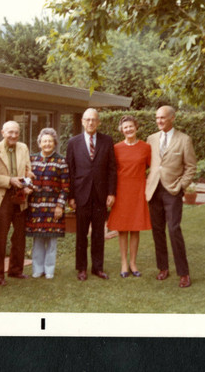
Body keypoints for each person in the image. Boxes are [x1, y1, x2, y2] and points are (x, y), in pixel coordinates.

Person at [146, 105, 197, 288]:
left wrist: (181, 186)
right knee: (157, 231)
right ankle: (163, 268)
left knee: (174, 229)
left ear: (172, 118)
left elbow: (191, 167)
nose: (159, 121)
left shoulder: (184, 140)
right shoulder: (151, 139)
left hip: (172, 191)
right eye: (157, 117)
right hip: (153, 191)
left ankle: (183, 273)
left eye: (163, 118)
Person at [66, 108, 117, 281]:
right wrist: (70, 196)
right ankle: (81, 268)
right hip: (81, 195)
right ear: (82, 121)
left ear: (98, 122)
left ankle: (97, 268)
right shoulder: (73, 142)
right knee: (81, 234)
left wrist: (111, 192)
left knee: (98, 234)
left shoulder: (107, 141)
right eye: (87, 120)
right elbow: (70, 171)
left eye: (94, 120)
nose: (90, 123)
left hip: (100, 195)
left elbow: (111, 169)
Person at [108, 115, 152, 278]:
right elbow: (112, 171)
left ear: (136, 127)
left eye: (131, 126)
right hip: (121, 191)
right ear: (122, 130)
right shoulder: (116, 148)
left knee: (135, 228)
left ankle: (133, 263)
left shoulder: (146, 148)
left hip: (138, 191)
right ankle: (124, 263)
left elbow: (152, 168)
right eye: (125, 127)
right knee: (122, 228)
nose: (128, 129)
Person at [0, 120, 33, 286]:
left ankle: (16, 270)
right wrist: (10, 180)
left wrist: (29, 183)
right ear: (2, 133)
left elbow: (28, 170)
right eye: (10, 132)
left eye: (16, 132)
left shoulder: (23, 147)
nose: (14, 135)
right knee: (1, 238)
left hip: (21, 195)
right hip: (3, 197)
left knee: (19, 235)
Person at [26, 128, 70, 279]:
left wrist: (60, 206)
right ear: (39, 143)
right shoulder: (31, 159)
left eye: (50, 141)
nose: (47, 144)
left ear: (55, 143)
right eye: (44, 141)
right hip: (36, 206)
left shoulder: (61, 161)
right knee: (37, 239)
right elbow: (27, 181)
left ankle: (49, 269)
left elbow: (66, 187)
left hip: (53, 207)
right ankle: (37, 269)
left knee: (51, 240)